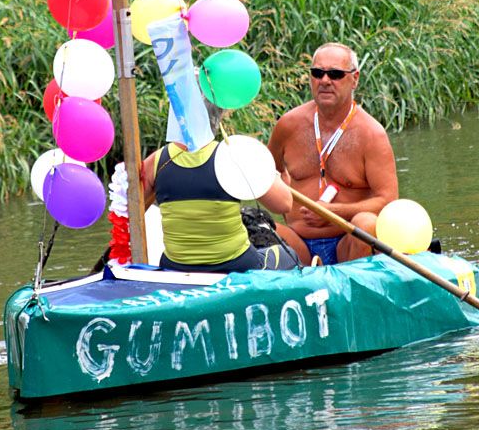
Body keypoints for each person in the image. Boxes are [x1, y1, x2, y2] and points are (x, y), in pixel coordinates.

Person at [268, 43, 399, 265]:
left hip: (349, 244)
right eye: (317, 73)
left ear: (354, 79)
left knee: (367, 223)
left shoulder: (371, 134)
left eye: (335, 74)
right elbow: (269, 173)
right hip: (298, 242)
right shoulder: (288, 125)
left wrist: (333, 212)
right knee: (257, 229)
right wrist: (284, 200)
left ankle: (356, 289)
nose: (325, 81)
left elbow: (388, 200)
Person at [141, 105, 305, 273]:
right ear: (218, 114)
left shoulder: (156, 161)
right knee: (287, 255)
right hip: (236, 265)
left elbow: (130, 212)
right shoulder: (233, 155)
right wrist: (269, 172)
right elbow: (284, 204)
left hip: (174, 266)